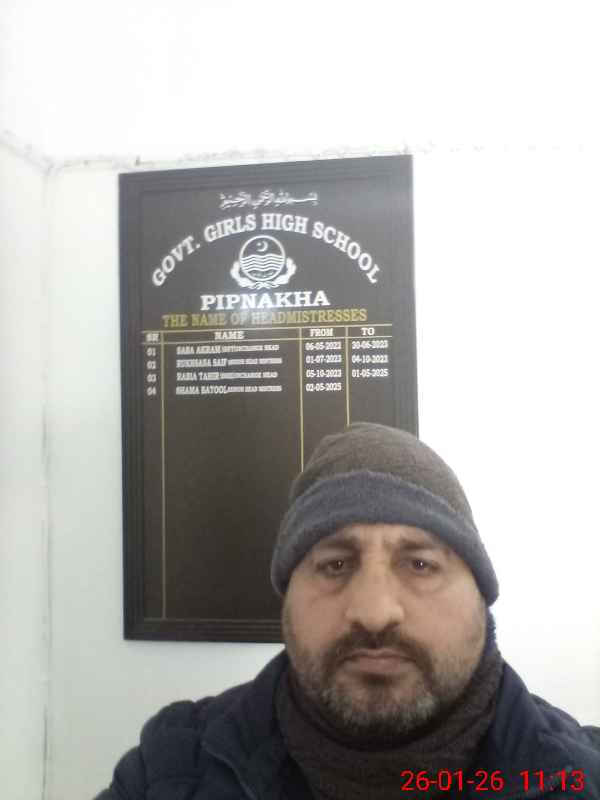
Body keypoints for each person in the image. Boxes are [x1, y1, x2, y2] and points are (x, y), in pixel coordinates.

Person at [96, 422, 600, 799]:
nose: (374, 612)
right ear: (288, 597)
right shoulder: (167, 772)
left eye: (420, 564)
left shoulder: (582, 777)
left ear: (481, 595)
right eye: (334, 565)